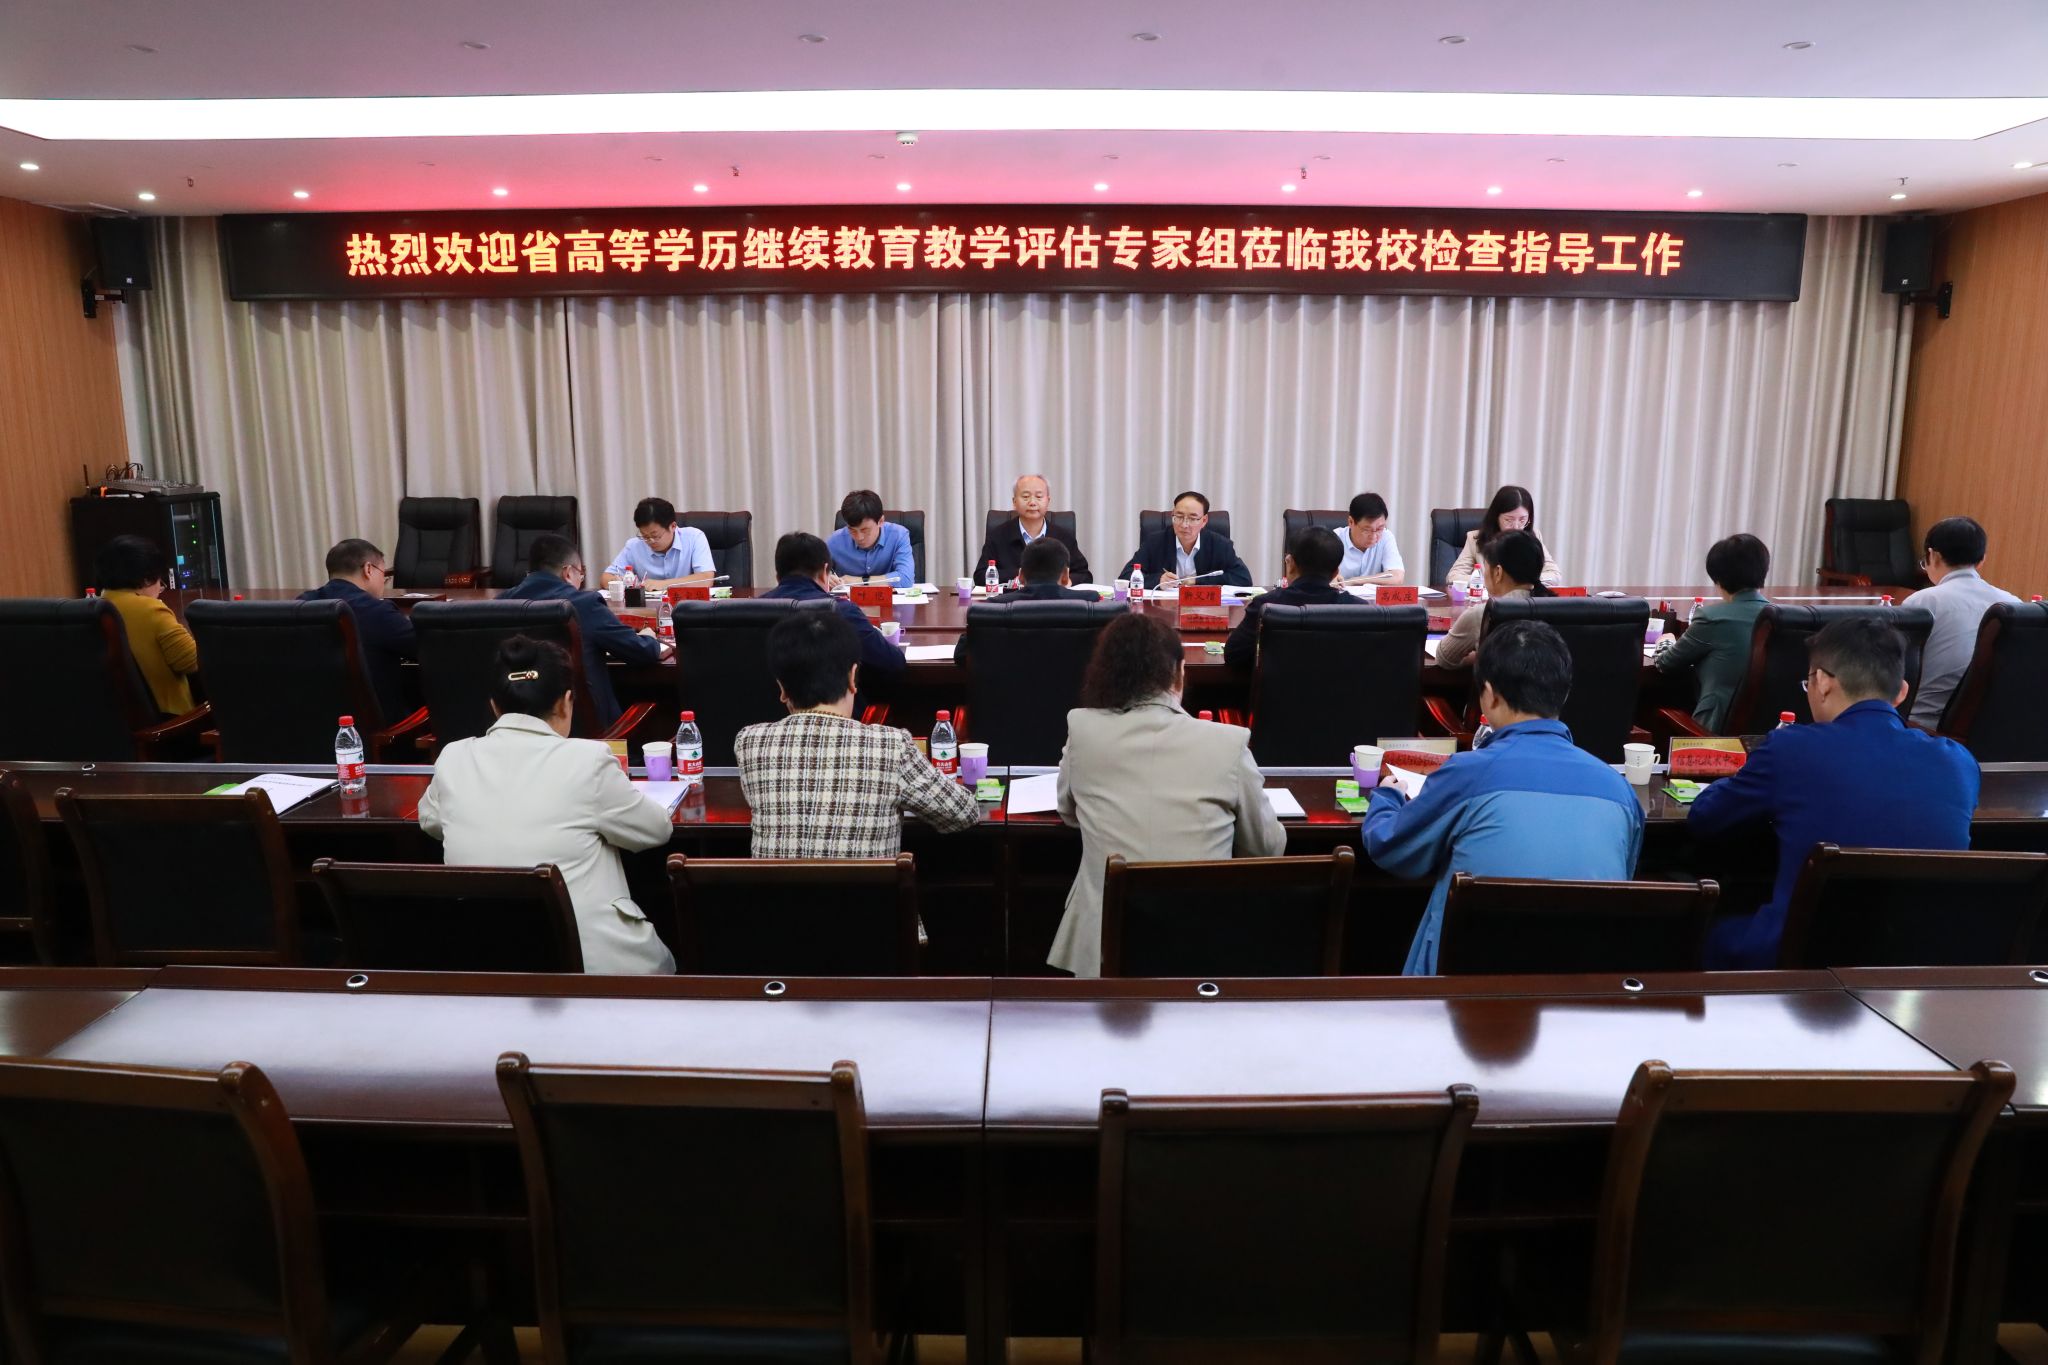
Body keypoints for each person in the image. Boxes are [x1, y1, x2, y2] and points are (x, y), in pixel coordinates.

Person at [1689, 617, 1980, 969]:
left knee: (1694, 927)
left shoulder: (1792, 749)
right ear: (1901, 692)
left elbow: (1705, 819)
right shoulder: (1958, 761)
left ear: (1824, 682)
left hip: (1797, 963)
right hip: (1918, 967)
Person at [1361, 619, 1644, 974]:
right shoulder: (1619, 790)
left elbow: (1392, 847)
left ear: (1490, 695)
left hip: (1463, 990)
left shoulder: (1469, 774)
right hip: (1579, 991)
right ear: (1563, 694)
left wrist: (1387, 797)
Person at [418, 636, 675, 974]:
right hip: (598, 971)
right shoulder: (589, 760)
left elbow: (430, 821)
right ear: (566, 702)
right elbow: (656, 830)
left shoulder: (454, 758)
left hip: (490, 966)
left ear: (494, 706)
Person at [1049, 613, 1285, 976]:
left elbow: (1068, 813)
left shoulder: (1083, 729)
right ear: (1179, 673)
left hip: (1105, 950)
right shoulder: (1227, 742)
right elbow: (1266, 849)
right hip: (1206, 952)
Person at [736, 610, 978, 858]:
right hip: (871, 886)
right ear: (853, 677)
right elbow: (964, 812)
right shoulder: (890, 746)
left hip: (776, 887)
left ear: (782, 688)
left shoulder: (750, 744)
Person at [501, 533, 668, 728]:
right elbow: (642, 652)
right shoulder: (585, 604)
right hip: (583, 730)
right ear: (568, 573)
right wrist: (648, 638)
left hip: (514, 727)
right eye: (581, 574)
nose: (581, 581)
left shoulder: (502, 603)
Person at [1908, 516, 2021, 728]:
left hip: (1923, 725)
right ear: (1982, 560)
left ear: (1933, 555)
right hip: (1989, 728)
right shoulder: (2013, 604)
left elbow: (1894, 670)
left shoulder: (1923, 601)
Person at [1654, 533, 1772, 733]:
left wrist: (1665, 641)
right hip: (1766, 732)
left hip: (1713, 731)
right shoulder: (1781, 617)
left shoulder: (1712, 618)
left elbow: (1666, 663)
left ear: (1718, 578)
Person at [760, 532, 907, 686]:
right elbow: (893, 662)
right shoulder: (842, 611)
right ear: (825, 573)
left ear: (778, 576)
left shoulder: (753, 610)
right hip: (829, 702)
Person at [298, 538, 416, 724]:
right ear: (368, 569)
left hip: (313, 723)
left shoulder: (301, 605)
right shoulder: (379, 611)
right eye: (384, 575)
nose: (383, 583)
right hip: (375, 726)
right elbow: (425, 648)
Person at [94, 535, 199, 716]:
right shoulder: (151, 609)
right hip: (172, 722)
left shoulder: (92, 609)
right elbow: (193, 662)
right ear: (145, 579)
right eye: (160, 582)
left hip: (116, 722)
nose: (160, 589)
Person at [953, 538, 1101, 667]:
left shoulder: (993, 607)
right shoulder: (1091, 604)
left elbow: (961, 654)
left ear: (1020, 576)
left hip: (1009, 690)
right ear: (1066, 575)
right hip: (1075, 691)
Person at [1224, 526, 1349, 670]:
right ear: (1335, 573)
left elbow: (1234, 656)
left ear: (1290, 564)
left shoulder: (1266, 605)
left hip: (1278, 685)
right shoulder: (1357, 608)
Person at [1434, 530, 1552, 671]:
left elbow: (1444, 658)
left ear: (1498, 573)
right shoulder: (1556, 607)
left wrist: (1480, 656)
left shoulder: (1482, 614)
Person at [975, 473, 1094, 585]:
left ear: (1048, 501)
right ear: (1014, 502)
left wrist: (1065, 580)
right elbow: (980, 576)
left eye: (1039, 496)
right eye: (1026, 497)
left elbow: (1085, 575)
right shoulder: (998, 536)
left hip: (1052, 599)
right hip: (1014, 599)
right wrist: (1020, 574)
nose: (1032, 502)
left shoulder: (1063, 537)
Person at [1117, 490, 1252, 588]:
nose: (1184, 525)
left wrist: (1197, 581)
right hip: (1163, 610)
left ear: (1204, 520)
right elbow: (1126, 577)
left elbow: (1243, 578)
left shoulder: (1220, 545)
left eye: (1192, 518)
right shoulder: (1155, 542)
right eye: (1179, 517)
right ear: (1172, 515)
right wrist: (1158, 580)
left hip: (1206, 610)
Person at [1447, 485, 1562, 587]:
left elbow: (1554, 574)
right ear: (1496, 517)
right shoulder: (1475, 539)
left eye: (1522, 520)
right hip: (1490, 601)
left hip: (1524, 601)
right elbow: (1453, 577)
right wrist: (1493, 582)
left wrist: (1523, 581)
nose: (1516, 526)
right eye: (1509, 520)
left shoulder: (1534, 537)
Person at [601, 497, 714, 588]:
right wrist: (618, 582)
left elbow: (706, 579)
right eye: (645, 536)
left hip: (687, 606)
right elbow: (605, 578)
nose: (650, 541)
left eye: (655, 536)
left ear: (673, 526)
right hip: (648, 608)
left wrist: (664, 584)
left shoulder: (694, 538)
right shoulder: (634, 546)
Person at [826, 489, 917, 588]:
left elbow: (905, 579)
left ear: (881, 521)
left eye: (865, 530)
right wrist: (826, 579)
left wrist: (860, 581)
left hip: (890, 598)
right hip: (847, 598)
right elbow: (815, 576)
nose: (859, 537)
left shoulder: (899, 535)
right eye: (852, 530)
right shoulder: (834, 541)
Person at [1336, 492, 1406, 586]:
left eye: (1379, 529)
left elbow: (1397, 577)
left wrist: (1355, 581)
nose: (1374, 536)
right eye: (1367, 530)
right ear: (1351, 522)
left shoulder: (1386, 537)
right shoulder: (1334, 539)